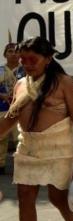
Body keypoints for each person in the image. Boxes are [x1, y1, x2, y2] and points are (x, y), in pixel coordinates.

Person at [0, 36, 73, 221]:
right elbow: (11, 118)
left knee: (58, 197)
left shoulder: (63, 82)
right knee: (25, 197)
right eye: (23, 60)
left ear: (48, 59)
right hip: (28, 148)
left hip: (58, 147)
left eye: (33, 60)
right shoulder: (21, 84)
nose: (27, 64)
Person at [0, 42, 25, 174]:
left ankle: (21, 164)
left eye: (16, 51)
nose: (13, 53)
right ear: (5, 54)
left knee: (21, 137)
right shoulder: (0, 70)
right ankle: (0, 165)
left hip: (21, 109)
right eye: (10, 51)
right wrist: (2, 95)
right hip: (2, 108)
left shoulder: (26, 70)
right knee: (1, 138)